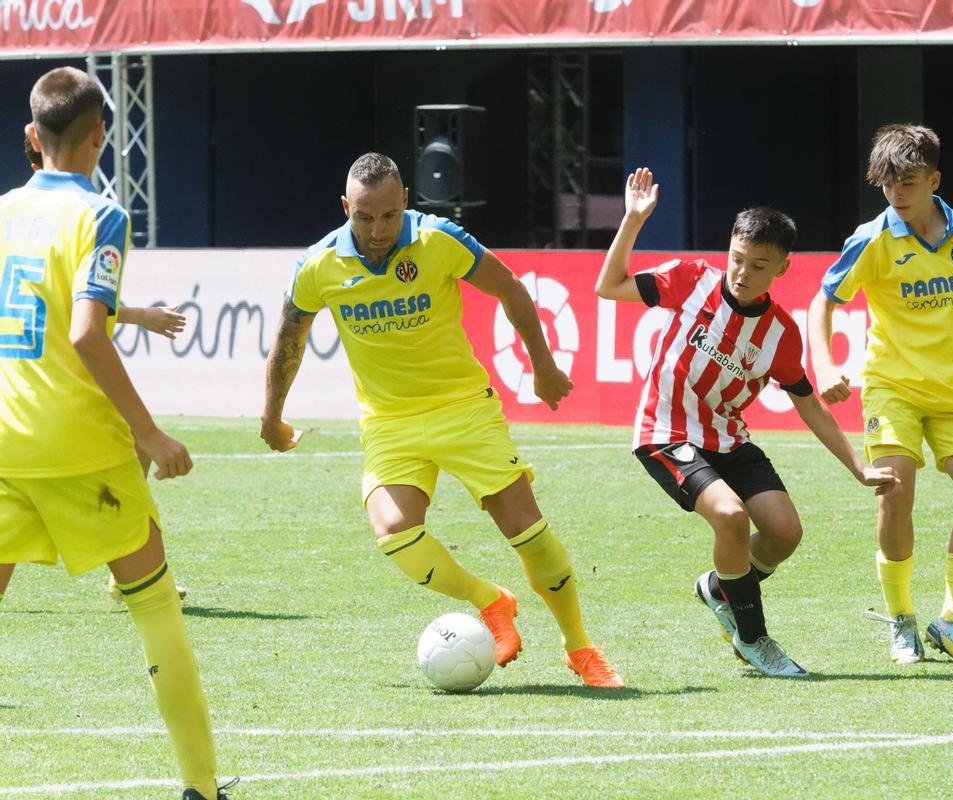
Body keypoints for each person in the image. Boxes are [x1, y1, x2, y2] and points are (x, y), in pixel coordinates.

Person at [261, 152, 623, 688]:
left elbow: (511, 289)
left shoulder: (438, 240)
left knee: (528, 531)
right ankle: (490, 600)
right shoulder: (319, 266)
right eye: (363, 217)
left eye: (388, 215)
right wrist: (272, 417)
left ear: (405, 199)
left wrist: (543, 367)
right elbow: (290, 339)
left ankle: (580, 648)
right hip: (389, 422)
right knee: (393, 532)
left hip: (463, 408)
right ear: (345, 208)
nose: (378, 229)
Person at [0, 68, 229, 799]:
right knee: (157, 608)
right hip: (78, 448)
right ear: (101, 136)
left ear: (32, 139)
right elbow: (85, 334)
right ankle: (200, 785)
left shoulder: (3, 211)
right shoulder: (103, 215)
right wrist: (150, 433)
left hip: (5, 444)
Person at [595, 167, 898, 677]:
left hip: (729, 440)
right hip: (665, 432)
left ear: (782, 268)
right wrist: (632, 220)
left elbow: (808, 403)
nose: (742, 272)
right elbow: (609, 286)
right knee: (731, 517)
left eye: (759, 265)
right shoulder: (690, 279)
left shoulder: (781, 333)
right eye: (737, 259)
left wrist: (857, 467)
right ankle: (754, 638)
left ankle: (719, 587)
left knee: (784, 533)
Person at [807, 124, 953, 666]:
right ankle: (901, 620)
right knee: (895, 494)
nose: (898, 193)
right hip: (892, 389)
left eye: (909, 183)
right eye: (889, 183)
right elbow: (822, 302)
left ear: (934, 179)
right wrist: (824, 363)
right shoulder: (872, 240)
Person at [0, 134, 189, 605]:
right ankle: (129, 575)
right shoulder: (92, 214)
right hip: (57, 398)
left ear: (35, 139)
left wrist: (139, 315)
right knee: (133, 440)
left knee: (132, 442)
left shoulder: (14, 212)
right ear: (97, 137)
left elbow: (59, 302)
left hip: (16, 408)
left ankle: (123, 573)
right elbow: (78, 321)